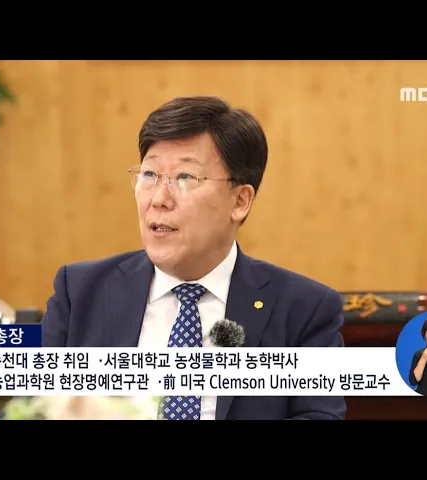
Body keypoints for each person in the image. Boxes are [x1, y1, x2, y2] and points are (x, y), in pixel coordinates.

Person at [39, 96, 346, 420]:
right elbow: (26, 409)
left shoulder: (303, 309)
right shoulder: (80, 291)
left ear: (240, 201)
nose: (159, 199)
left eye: (185, 178)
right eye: (149, 175)